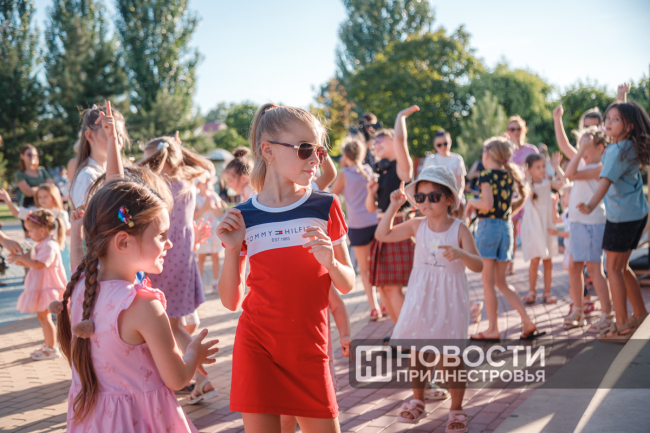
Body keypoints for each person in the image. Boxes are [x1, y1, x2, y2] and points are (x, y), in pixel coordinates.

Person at [216, 103, 355, 432]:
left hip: (309, 348)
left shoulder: (325, 205)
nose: (315, 159)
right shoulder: (243, 215)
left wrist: (331, 262)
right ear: (268, 151)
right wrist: (232, 248)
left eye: (319, 151)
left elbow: (347, 283)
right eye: (305, 149)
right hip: (257, 346)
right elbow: (230, 301)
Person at [49, 179, 219, 431]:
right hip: (142, 419)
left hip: (94, 420)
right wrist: (194, 353)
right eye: (161, 235)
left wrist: (77, 230)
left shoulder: (80, 286)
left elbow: (78, 260)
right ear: (123, 242)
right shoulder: (143, 305)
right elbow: (177, 379)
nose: (169, 243)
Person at [375, 166, 482, 429]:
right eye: (421, 197)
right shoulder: (416, 225)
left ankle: (456, 409)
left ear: (449, 199)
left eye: (433, 197)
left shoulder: (459, 229)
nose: (426, 202)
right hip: (420, 297)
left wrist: (461, 254)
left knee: (450, 358)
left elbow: (478, 264)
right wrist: (394, 206)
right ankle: (418, 400)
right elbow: (382, 235)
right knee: (418, 352)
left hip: (449, 299)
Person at [139, 133, 217, 403]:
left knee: (170, 326)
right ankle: (194, 378)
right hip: (184, 261)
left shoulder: (157, 187)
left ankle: (201, 378)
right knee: (173, 324)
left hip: (164, 262)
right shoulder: (187, 185)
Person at [578, 100, 650, 341]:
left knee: (613, 269)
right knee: (621, 267)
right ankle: (639, 314)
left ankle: (622, 325)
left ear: (628, 125)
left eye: (615, 119)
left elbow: (605, 182)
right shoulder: (629, 145)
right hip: (636, 214)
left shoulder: (617, 151)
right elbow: (625, 115)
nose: (608, 122)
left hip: (621, 218)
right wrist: (622, 96)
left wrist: (590, 205)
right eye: (607, 118)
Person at [466, 137, 543, 341]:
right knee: (501, 282)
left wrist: (471, 203)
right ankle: (526, 320)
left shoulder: (486, 176)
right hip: (505, 228)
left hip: (488, 228)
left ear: (487, 154)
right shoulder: (508, 176)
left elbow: (487, 203)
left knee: (487, 282)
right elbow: (505, 204)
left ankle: (492, 328)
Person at [554, 106, 613, 331]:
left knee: (594, 269)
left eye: (586, 148)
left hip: (593, 222)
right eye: (580, 148)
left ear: (600, 148)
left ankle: (606, 314)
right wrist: (557, 119)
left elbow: (570, 174)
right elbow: (563, 145)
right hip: (578, 222)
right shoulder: (582, 160)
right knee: (574, 267)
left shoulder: (599, 167)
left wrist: (580, 151)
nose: (581, 152)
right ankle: (577, 310)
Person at [366, 106, 417, 325]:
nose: (376, 143)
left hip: (397, 227)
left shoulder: (401, 168)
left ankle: (408, 334)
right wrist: (371, 192)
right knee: (384, 288)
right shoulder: (383, 172)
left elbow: (400, 140)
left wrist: (400, 117)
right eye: (374, 141)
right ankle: (399, 333)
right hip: (381, 228)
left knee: (393, 288)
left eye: (382, 139)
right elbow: (371, 208)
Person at [280, 286, 351, 433]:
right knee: (285, 417)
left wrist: (345, 335)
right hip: (282, 358)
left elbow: (337, 305)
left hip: (315, 360)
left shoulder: (317, 275)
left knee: (320, 411)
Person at [330, 139, 382, 320]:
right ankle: (384, 303)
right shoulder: (369, 171)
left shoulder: (344, 174)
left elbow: (331, 196)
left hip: (357, 226)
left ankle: (374, 307)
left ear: (345, 156)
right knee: (377, 266)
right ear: (362, 154)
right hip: (375, 223)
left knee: (365, 271)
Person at [7, 209, 67, 360]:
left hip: (48, 287)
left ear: (42, 230)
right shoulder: (42, 243)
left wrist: (22, 259)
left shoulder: (50, 245)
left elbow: (40, 264)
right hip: (42, 286)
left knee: (45, 317)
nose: (29, 234)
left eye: (30, 231)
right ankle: (48, 345)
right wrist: (19, 260)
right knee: (42, 316)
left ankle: (52, 348)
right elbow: (34, 263)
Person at [1, 185, 72, 277]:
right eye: (39, 197)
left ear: (54, 197)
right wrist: (7, 200)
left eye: (45, 196)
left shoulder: (61, 213)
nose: (42, 199)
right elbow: (17, 212)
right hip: (43, 250)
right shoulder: (37, 213)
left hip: (60, 249)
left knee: (60, 274)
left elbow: (67, 231)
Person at [520, 153, 563, 305]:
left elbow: (563, 183)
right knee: (535, 259)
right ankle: (532, 290)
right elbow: (528, 191)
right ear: (530, 169)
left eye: (543, 166)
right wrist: (526, 177)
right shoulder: (527, 187)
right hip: (534, 227)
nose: (542, 170)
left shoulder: (547, 183)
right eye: (537, 167)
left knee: (548, 260)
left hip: (547, 225)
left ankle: (547, 292)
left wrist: (556, 167)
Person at [69, 104, 130, 209]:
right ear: (90, 136)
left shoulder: (119, 171)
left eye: (120, 135)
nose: (118, 141)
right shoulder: (87, 177)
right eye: (109, 133)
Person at [505, 115, 539, 275]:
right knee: (511, 232)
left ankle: (533, 266)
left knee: (531, 232)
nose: (516, 132)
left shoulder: (531, 150)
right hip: (510, 196)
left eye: (518, 128)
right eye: (512, 129)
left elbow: (538, 172)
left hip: (528, 196)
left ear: (523, 130)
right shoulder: (505, 150)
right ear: (507, 131)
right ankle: (509, 265)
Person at [421, 129, 467, 219]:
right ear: (435, 145)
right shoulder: (430, 160)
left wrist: (457, 197)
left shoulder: (457, 159)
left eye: (445, 143)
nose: (443, 147)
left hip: (454, 200)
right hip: (435, 200)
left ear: (450, 142)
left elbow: (460, 182)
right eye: (439, 144)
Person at [195, 172, 225, 293]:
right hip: (202, 231)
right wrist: (205, 207)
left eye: (208, 181)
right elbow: (193, 215)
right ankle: (200, 284)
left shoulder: (214, 196)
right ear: (198, 184)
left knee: (215, 256)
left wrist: (212, 207)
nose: (206, 184)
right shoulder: (195, 198)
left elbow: (220, 213)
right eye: (204, 182)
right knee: (201, 257)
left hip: (214, 231)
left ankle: (215, 282)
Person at [15, 145, 54, 210]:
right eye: (29, 155)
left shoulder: (42, 170)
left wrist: (34, 189)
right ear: (22, 156)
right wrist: (44, 189)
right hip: (30, 206)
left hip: (46, 206)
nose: (32, 157)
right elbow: (28, 192)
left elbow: (51, 187)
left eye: (35, 155)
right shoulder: (20, 174)